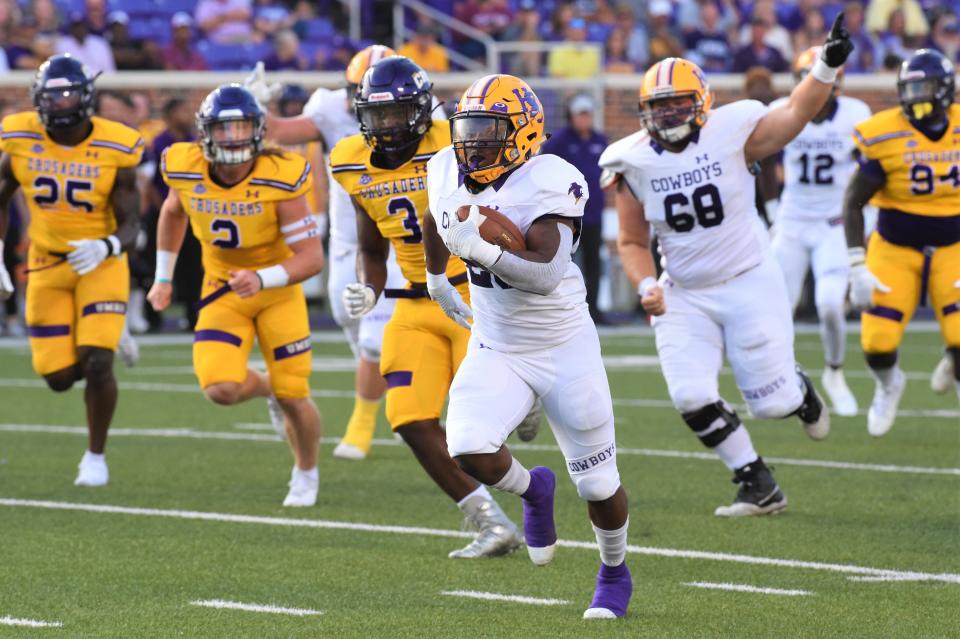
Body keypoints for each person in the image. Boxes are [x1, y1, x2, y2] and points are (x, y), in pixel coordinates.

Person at [601, 15, 853, 516]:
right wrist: (645, 281)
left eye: (677, 103)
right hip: (685, 290)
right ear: (644, 111)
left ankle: (798, 391)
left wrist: (825, 64)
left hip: (747, 279)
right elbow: (631, 240)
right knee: (689, 393)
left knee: (772, 405)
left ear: (701, 103)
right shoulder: (631, 161)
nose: (669, 114)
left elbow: (796, 114)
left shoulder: (732, 131)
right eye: (659, 106)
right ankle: (756, 483)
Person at [424, 73, 632, 618]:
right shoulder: (445, 165)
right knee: (467, 447)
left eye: (489, 132)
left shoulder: (551, 180)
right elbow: (436, 213)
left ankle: (614, 572)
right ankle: (534, 490)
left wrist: (484, 253)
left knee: (598, 484)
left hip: (563, 345)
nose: (473, 143)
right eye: (468, 130)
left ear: (522, 133)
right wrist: (436, 277)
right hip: (496, 344)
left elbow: (544, 273)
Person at [329, 56, 521, 558]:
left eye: (398, 115)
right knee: (409, 417)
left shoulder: (457, 141)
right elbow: (373, 246)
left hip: (475, 294)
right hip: (413, 301)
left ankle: (529, 392)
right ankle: (489, 521)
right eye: (378, 116)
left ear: (421, 110)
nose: (388, 126)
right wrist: (369, 289)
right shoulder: (349, 160)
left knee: (477, 431)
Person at [147, 85, 325, 506]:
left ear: (258, 130)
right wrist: (163, 276)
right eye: (224, 129)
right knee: (219, 388)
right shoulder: (185, 166)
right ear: (206, 133)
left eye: (241, 127)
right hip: (222, 287)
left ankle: (305, 471)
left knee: (294, 394)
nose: (233, 138)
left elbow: (311, 257)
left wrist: (264, 278)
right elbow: (172, 212)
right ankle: (265, 391)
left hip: (276, 291)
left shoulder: (279, 173)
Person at [244, 45, 408, 461]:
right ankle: (398, 395)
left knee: (375, 340)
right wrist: (258, 109)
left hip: (394, 238)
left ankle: (364, 426)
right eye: (359, 90)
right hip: (348, 240)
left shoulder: (425, 121)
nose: (368, 100)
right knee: (351, 322)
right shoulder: (331, 109)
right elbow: (277, 132)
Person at [0, 54, 143, 486]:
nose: (61, 104)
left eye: (68, 94)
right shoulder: (20, 138)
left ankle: (95, 457)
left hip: (100, 262)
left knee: (98, 363)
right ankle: (105, 333)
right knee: (59, 378)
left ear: (86, 97)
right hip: (44, 263)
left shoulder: (116, 145)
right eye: (52, 96)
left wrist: (107, 245)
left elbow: (134, 223)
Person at [843, 49, 960, 435]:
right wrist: (857, 261)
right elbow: (854, 199)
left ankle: (955, 359)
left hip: (954, 246)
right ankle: (889, 383)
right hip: (895, 246)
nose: (915, 97)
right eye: (909, 89)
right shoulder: (885, 132)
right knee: (877, 341)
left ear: (944, 90)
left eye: (923, 88)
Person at [771, 48, 870, 416]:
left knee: (830, 304)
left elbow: (870, 172)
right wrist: (769, 213)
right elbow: (763, 161)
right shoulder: (782, 110)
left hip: (834, 221)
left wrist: (867, 224)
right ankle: (781, 380)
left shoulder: (856, 115)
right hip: (793, 220)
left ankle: (834, 372)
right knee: (779, 306)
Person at [541, 93, 609, 324]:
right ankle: (563, 309)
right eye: (581, 114)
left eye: (588, 114)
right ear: (572, 115)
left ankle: (595, 309)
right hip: (566, 214)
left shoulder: (600, 140)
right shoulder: (559, 141)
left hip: (593, 214)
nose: (585, 119)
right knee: (562, 263)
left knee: (593, 263)